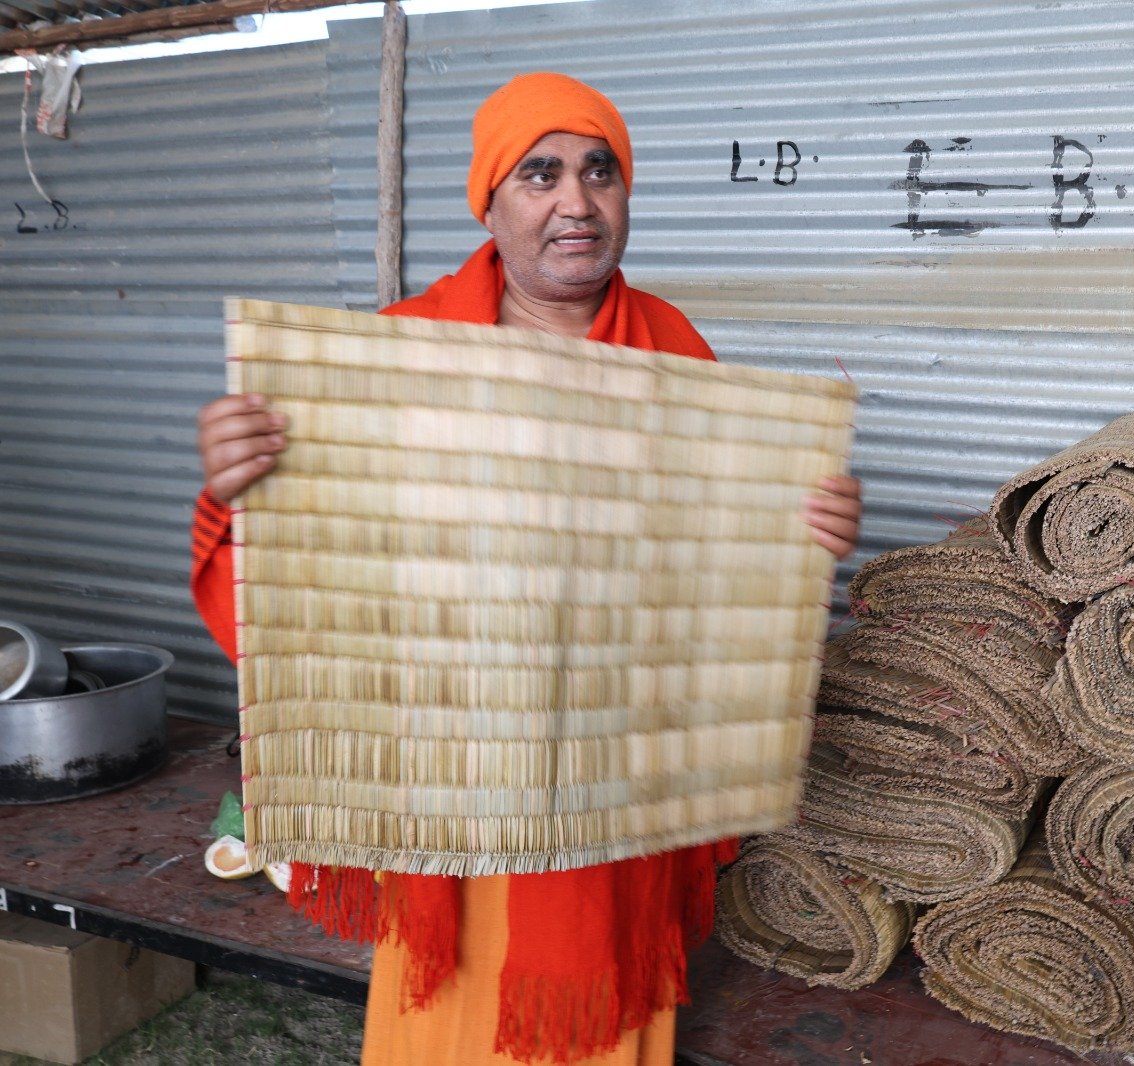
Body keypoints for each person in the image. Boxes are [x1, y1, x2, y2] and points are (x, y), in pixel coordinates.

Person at [189, 72, 863, 1066]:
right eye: (538, 173)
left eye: (600, 172)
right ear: (491, 200)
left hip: (612, 789)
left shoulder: (676, 352)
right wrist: (237, 489)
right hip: (448, 787)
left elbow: (721, 580)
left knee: (598, 1011)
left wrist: (810, 531)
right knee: (447, 1019)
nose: (574, 202)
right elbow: (310, 586)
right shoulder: (397, 358)